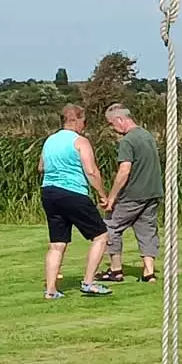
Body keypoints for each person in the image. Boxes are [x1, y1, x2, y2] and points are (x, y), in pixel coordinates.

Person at [38, 104, 112, 298]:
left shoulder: (50, 140)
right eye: (83, 121)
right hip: (73, 192)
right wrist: (103, 195)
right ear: (77, 120)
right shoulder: (80, 141)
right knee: (101, 236)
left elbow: (41, 167)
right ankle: (88, 282)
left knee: (57, 243)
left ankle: (51, 290)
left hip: (49, 192)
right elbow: (91, 171)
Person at [95, 103, 162, 283]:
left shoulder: (128, 141)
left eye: (111, 123)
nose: (112, 128)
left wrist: (111, 198)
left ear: (120, 120)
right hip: (153, 192)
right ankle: (149, 272)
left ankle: (116, 269)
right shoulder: (147, 136)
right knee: (146, 230)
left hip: (133, 194)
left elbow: (124, 171)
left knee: (111, 225)